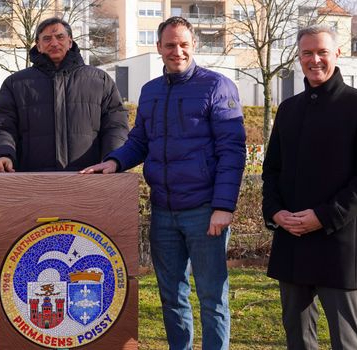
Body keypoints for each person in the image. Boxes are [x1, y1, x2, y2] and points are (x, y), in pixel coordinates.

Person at [81, 17, 246, 350]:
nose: (177, 51)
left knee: (212, 297)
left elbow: (232, 151)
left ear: (194, 44)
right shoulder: (151, 91)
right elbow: (139, 141)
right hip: (164, 212)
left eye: (184, 44)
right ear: (158, 47)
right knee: (171, 296)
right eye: (170, 45)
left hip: (204, 211)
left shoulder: (217, 86)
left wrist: (223, 207)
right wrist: (115, 162)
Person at [262, 24, 357, 350]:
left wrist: (323, 216)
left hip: (338, 242)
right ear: (298, 57)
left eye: (322, 52)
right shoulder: (288, 109)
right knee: (298, 338)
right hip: (292, 240)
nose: (314, 59)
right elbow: (272, 170)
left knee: (346, 341)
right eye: (307, 53)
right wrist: (275, 212)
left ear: (337, 54)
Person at [0, 17, 128, 172]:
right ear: (38, 45)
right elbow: (2, 126)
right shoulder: (15, 84)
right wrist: (3, 154)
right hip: (32, 180)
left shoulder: (100, 81)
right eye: (47, 39)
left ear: (70, 42)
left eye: (60, 37)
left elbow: (116, 125)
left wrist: (113, 159)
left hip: (89, 178)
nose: (54, 43)